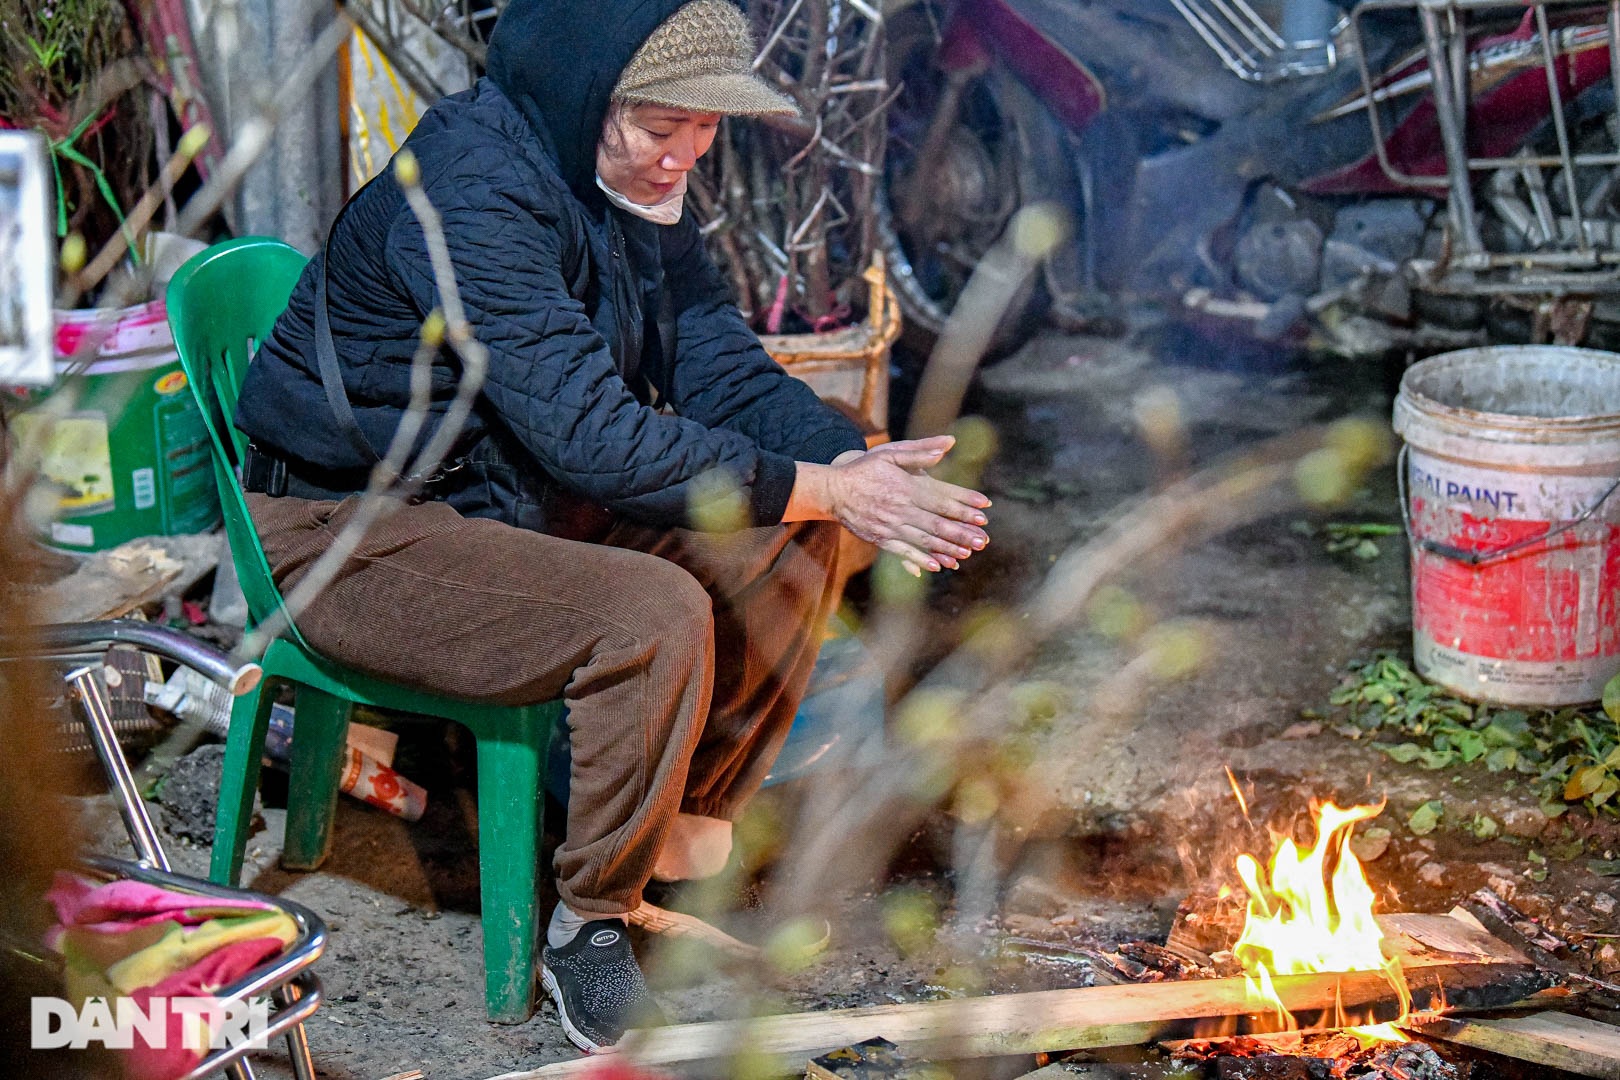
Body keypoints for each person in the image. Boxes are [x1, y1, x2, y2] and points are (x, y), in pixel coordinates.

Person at [231, 0, 991, 1053]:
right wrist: (822, 484)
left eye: (705, 128)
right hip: (348, 529)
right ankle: (587, 923)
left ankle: (662, 834)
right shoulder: (471, 193)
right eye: (663, 127)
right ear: (583, 95)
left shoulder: (620, 174)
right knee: (658, 604)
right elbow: (592, 437)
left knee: (797, 511)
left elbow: (713, 356)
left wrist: (847, 463)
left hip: (490, 493)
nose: (687, 156)